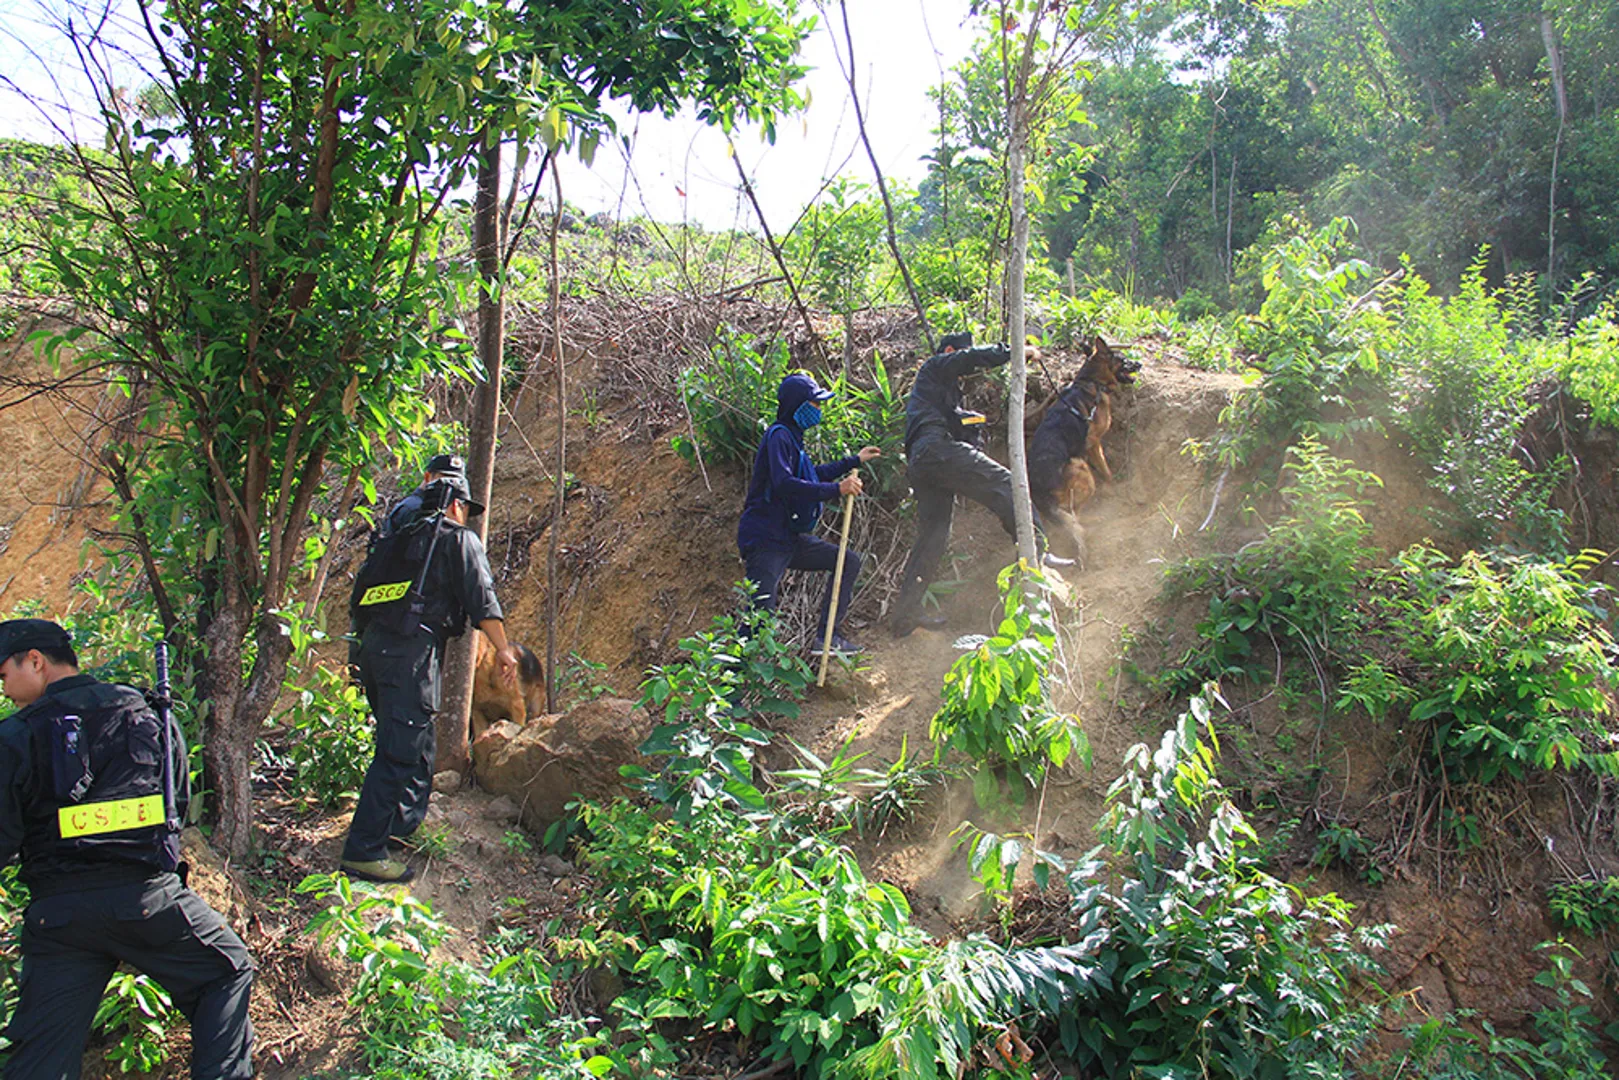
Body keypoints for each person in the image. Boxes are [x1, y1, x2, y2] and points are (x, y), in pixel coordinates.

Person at [0, 618, 254, 1080]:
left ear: (34, 661)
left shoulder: (15, 735)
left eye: (4, 675)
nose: (5, 689)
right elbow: (176, 805)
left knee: (40, 1060)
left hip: (58, 918)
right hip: (146, 901)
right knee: (227, 970)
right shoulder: (144, 711)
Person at [343, 469, 519, 883]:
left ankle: (401, 828)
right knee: (399, 749)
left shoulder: (395, 537)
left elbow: (360, 599)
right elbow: (483, 601)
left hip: (373, 649)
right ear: (456, 504)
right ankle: (363, 851)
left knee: (417, 742)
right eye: (465, 510)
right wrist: (505, 650)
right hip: (410, 652)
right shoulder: (457, 539)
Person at [889, 332, 1067, 638]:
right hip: (935, 451)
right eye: (960, 355)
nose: (968, 370)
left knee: (933, 535)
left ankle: (905, 616)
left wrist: (970, 423)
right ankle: (1037, 549)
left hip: (924, 461)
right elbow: (968, 359)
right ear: (948, 351)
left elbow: (955, 428)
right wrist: (1016, 352)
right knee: (1007, 483)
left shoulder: (937, 391)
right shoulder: (934, 366)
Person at [737, 372, 880, 655]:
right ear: (798, 406)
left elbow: (813, 475)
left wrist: (854, 461)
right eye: (814, 404)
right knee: (758, 619)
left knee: (847, 561)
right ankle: (733, 694)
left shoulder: (793, 440)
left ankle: (827, 638)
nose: (818, 409)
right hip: (765, 540)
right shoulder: (778, 436)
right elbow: (785, 484)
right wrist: (837, 489)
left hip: (788, 539)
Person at [381, 452, 466, 537]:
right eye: (444, 478)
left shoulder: (437, 507)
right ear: (427, 477)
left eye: (456, 481)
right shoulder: (415, 508)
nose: (450, 484)